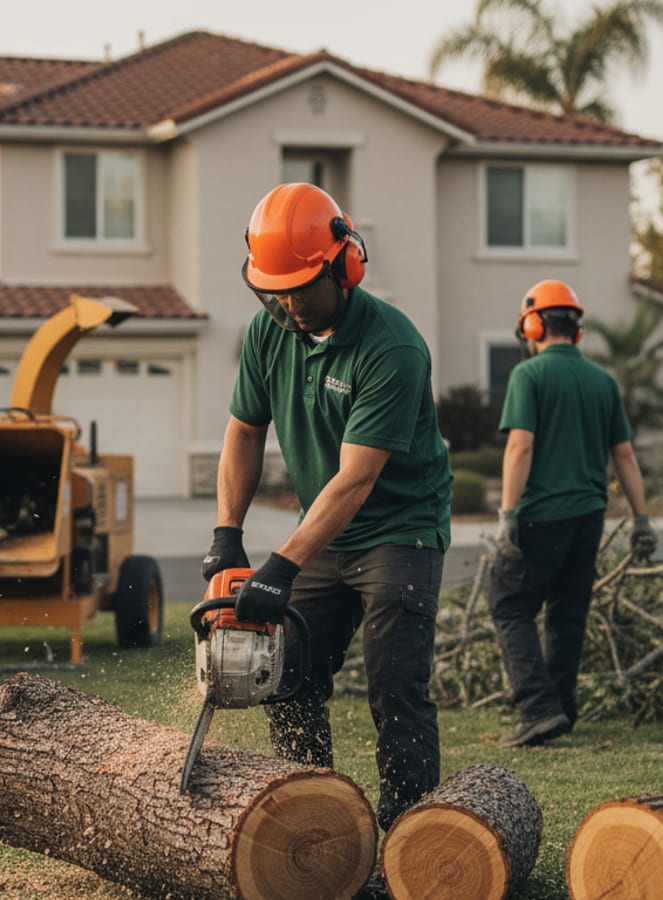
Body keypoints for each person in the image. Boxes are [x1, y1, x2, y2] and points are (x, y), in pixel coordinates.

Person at [201, 182, 453, 829]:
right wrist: (228, 534)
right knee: (288, 674)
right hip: (325, 534)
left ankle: (407, 827)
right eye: (274, 289)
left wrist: (279, 568)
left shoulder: (391, 346)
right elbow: (244, 431)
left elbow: (356, 478)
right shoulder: (269, 331)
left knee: (394, 684)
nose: (288, 303)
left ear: (345, 267)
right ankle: (318, 809)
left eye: (300, 288)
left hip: (400, 529)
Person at [490, 279, 657, 748]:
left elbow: (520, 446)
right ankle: (560, 708)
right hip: (589, 517)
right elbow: (624, 455)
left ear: (533, 324)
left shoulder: (529, 376)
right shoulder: (603, 381)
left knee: (509, 605)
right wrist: (641, 520)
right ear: (577, 330)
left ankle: (538, 709)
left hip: (541, 515)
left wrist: (507, 515)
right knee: (567, 614)